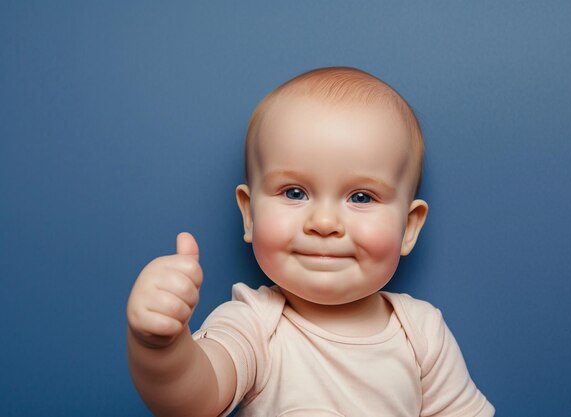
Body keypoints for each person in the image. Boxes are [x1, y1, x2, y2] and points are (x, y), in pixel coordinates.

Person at [127, 67, 495, 417]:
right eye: (294, 192)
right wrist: (161, 349)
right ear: (250, 214)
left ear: (409, 227)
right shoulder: (255, 325)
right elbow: (194, 400)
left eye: (362, 197)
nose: (323, 223)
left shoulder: (422, 334)